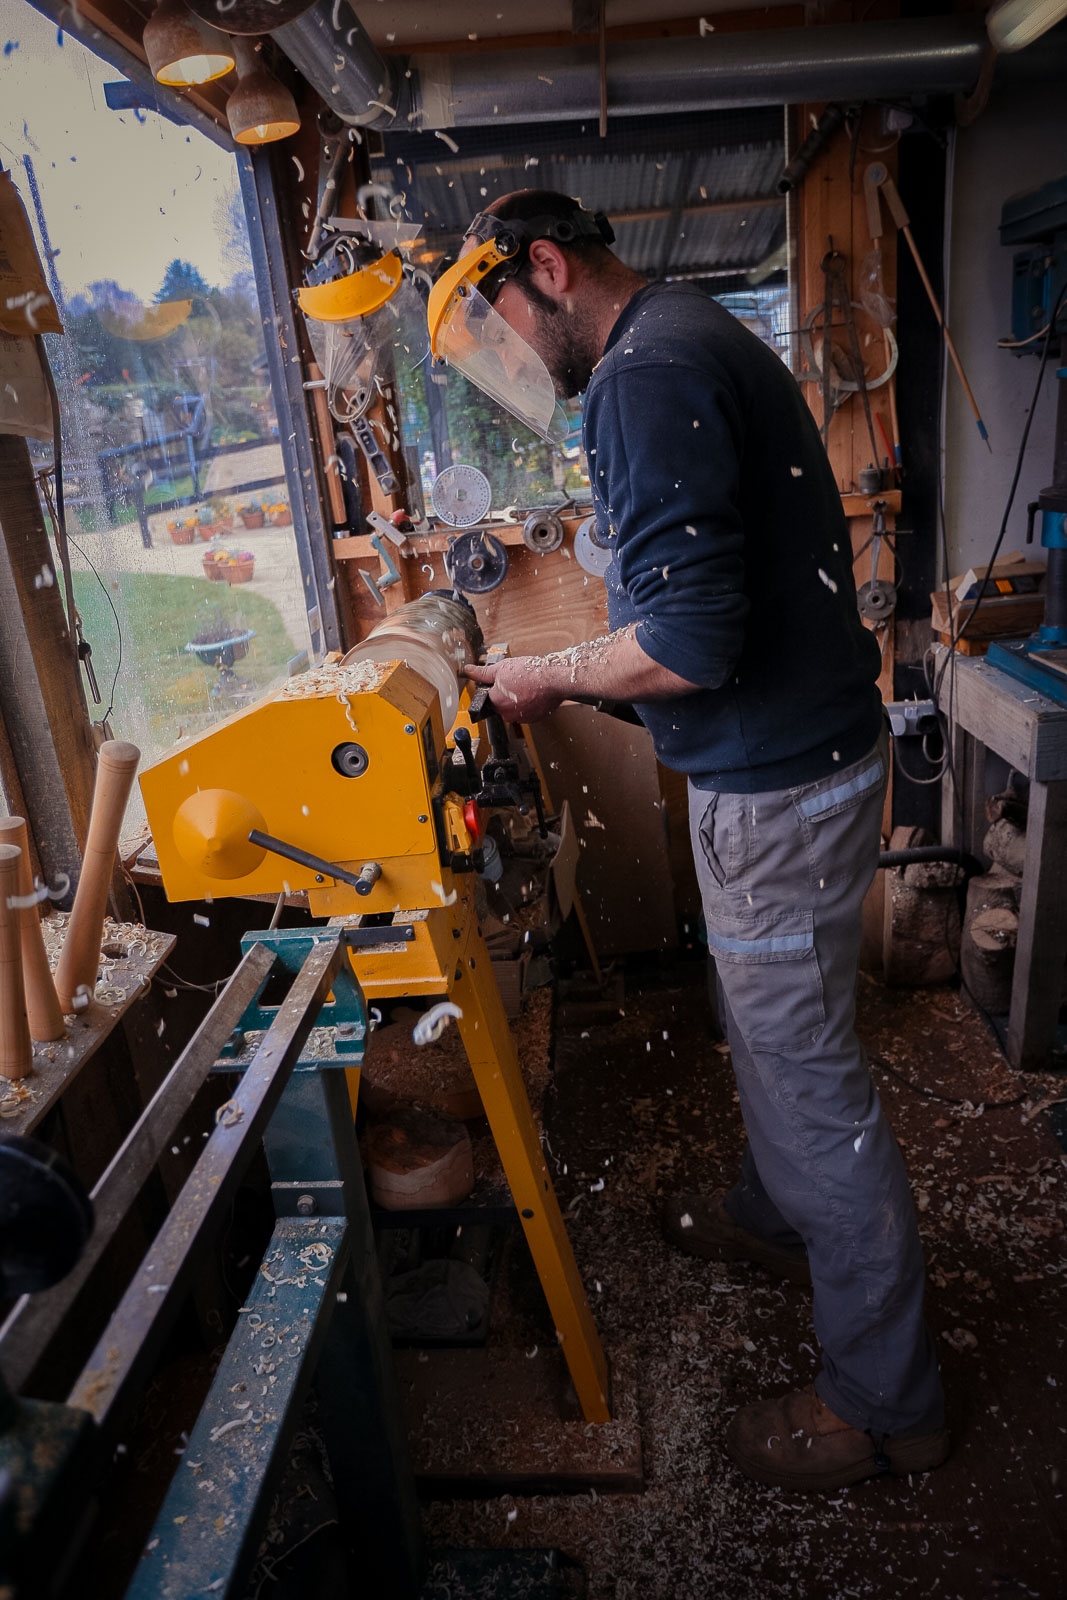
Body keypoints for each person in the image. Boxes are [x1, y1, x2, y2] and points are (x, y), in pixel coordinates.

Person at [428, 188, 948, 1492]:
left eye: (501, 333)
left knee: (811, 1090)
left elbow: (686, 643)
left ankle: (886, 1404)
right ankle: (780, 1220)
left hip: (772, 792)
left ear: (546, 267)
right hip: (818, 758)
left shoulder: (643, 374)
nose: (512, 369)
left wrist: (546, 676)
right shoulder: (684, 332)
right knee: (785, 1031)